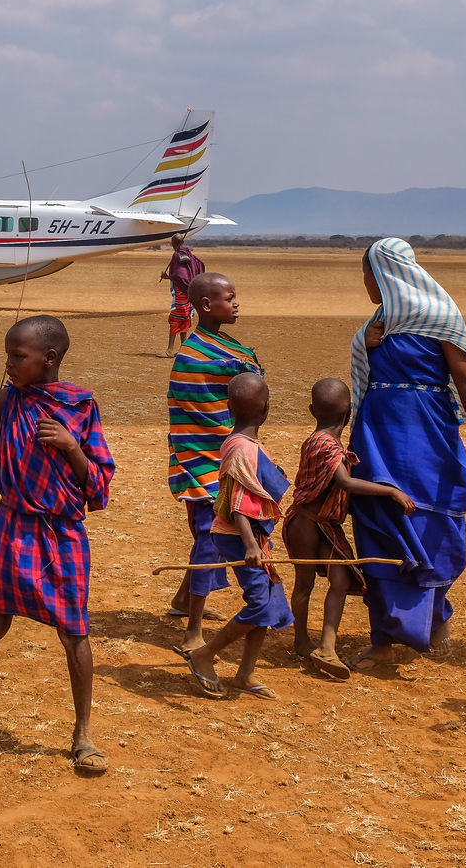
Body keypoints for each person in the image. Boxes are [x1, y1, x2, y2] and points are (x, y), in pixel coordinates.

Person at [0, 315, 116, 776]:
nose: (8, 364)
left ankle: (83, 732)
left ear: (50, 358)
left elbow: (99, 484)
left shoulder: (81, 408)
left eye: (18, 357)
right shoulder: (9, 399)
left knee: (74, 631)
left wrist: (70, 448)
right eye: (8, 355)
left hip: (61, 533)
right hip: (10, 523)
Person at [348, 238, 466, 670]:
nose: (366, 286)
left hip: (430, 436)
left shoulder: (439, 316)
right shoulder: (376, 325)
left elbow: (465, 378)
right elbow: (361, 376)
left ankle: (434, 619)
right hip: (377, 437)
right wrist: (363, 340)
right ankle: (384, 639)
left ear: (385, 274)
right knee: (379, 523)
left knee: (433, 525)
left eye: (367, 277)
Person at [284, 378, 416, 680]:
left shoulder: (323, 442)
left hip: (324, 525)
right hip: (306, 522)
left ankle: (326, 647)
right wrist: (390, 491)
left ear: (311, 410)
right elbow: (344, 482)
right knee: (304, 584)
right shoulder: (325, 445)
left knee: (340, 580)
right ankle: (301, 639)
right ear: (349, 413)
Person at [165, 273, 262, 654]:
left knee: (209, 535)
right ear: (206, 305)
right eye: (229, 297)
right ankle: (192, 632)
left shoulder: (224, 347)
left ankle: (181, 600)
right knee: (209, 538)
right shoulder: (194, 357)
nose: (236, 303)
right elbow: (242, 391)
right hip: (203, 458)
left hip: (223, 454)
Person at [184, 373, 292, 701]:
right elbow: (239, 505)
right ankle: (203, 654)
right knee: (260, 604)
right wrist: (249, 545)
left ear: (229, 408)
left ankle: (245, 674)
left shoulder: (243, 445)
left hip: (253, 538)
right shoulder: (243, 449)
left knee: (269, 604)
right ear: (267, 410)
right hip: (238, 537)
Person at [159, 233, 205, 357]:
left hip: (181, 293)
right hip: (189, 293)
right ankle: (183, 350)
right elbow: (199, 266)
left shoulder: (177, 255)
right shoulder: (189, 254)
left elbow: (180, 275)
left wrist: (168, 276)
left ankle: (169, 350)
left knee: (175, 319)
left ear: (174, 243)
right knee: (185, 318)